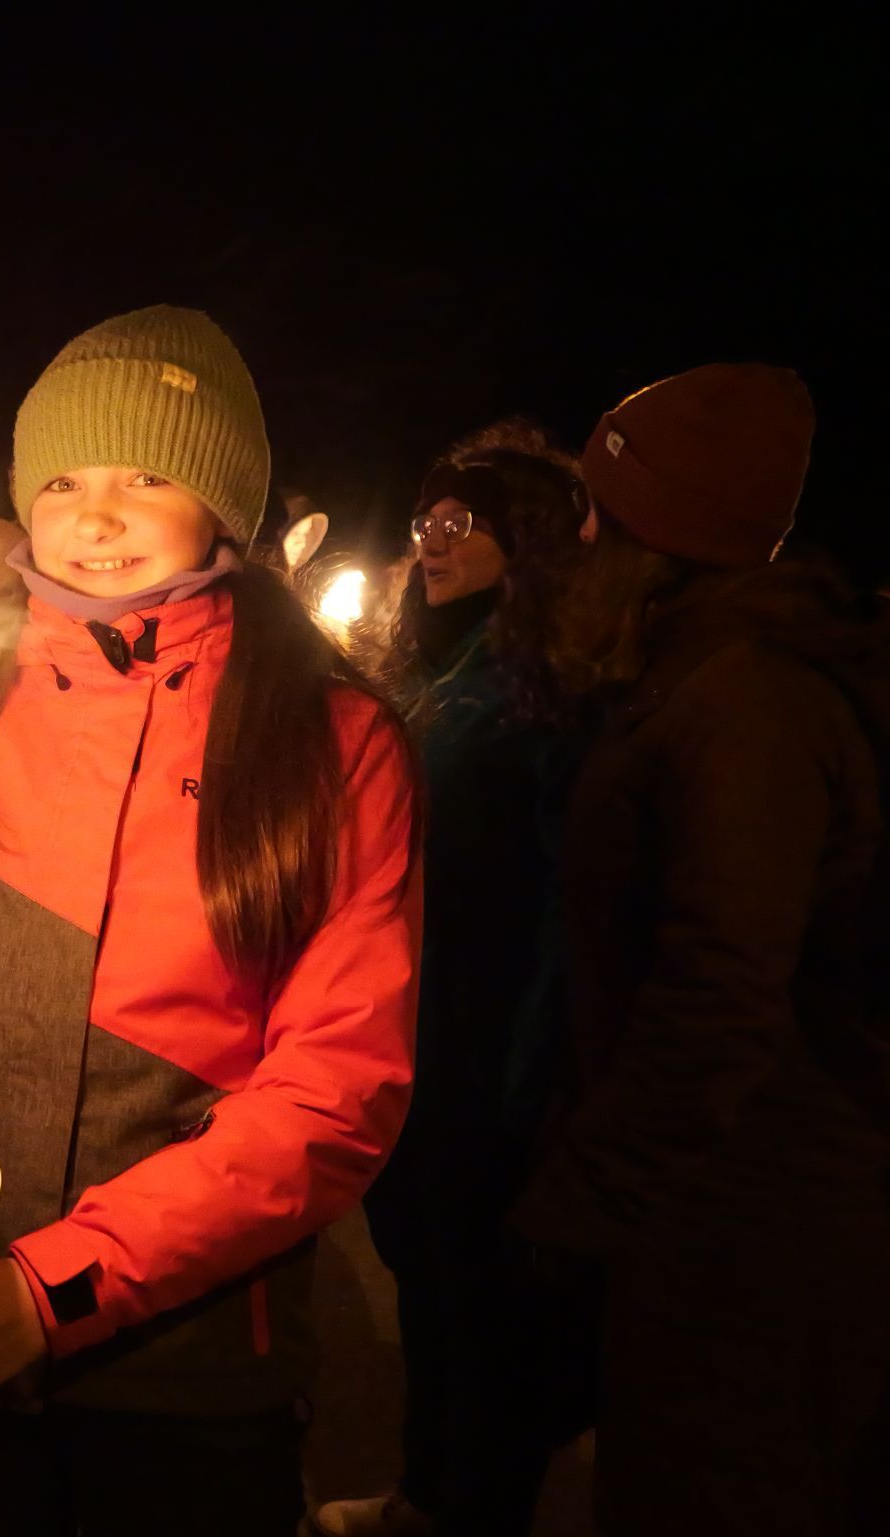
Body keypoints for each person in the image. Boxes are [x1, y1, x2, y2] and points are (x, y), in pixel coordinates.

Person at [0, 307, 421, 1536]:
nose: (96, 512)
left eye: (147, 473)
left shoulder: (328, 746)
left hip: (184, 1366)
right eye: (63, 477)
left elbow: (333, 1092)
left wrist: (45, 1292)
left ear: (222, 501)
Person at [514, 365, 890, 1537]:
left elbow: (719, 988)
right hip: (722, 1205)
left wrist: (584, 1196)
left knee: (715, 1489)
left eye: (593, 510)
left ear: (650, 534)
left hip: (753, 1229)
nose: (573, 536)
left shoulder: (744, 706)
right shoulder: (703, 674)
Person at [314, 424, 590, 1537]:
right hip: (406, 1027)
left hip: (484, 1042)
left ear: (522, 539)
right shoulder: (422, 670)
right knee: (424, 1277)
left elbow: (569, 899)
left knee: (482, 1300)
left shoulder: (550, 687)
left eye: (458, 521)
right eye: (424, 518)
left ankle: (473, 1505)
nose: (430, 539)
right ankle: (426, 1490)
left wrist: (534, 1088)